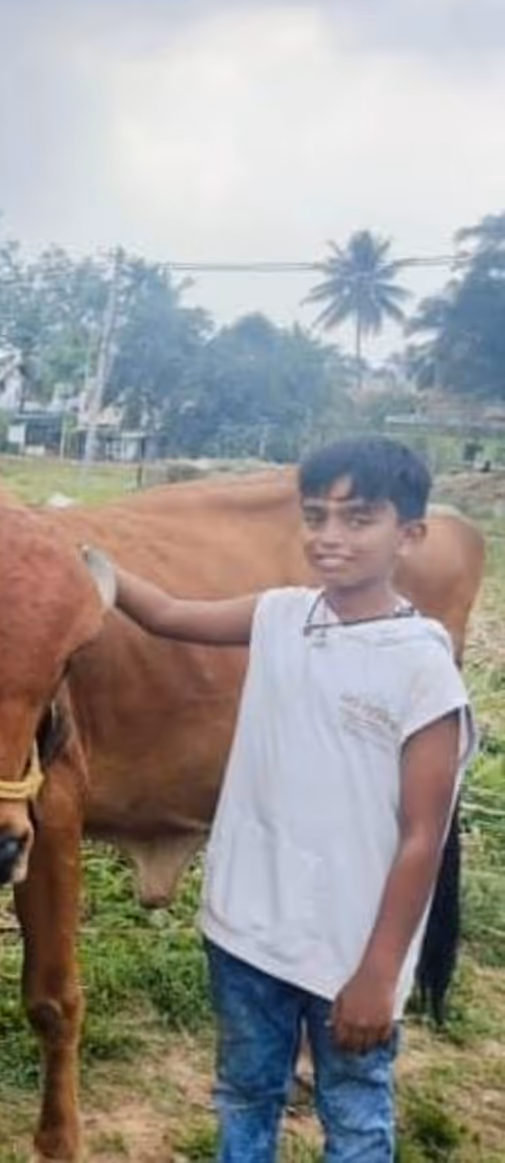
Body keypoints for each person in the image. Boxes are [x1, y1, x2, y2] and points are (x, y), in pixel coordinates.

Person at [106, 436, 475, 1161]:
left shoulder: (423, 669)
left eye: (358, 518)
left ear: (411, 535)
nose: (330, 537)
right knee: (245, 1094)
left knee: (356, 1115)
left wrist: (378, 973)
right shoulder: (281, 615)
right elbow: (169, 614)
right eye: (316, 516)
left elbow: (423, 836)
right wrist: (79, 555)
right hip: (246, 931)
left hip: (349, 949)